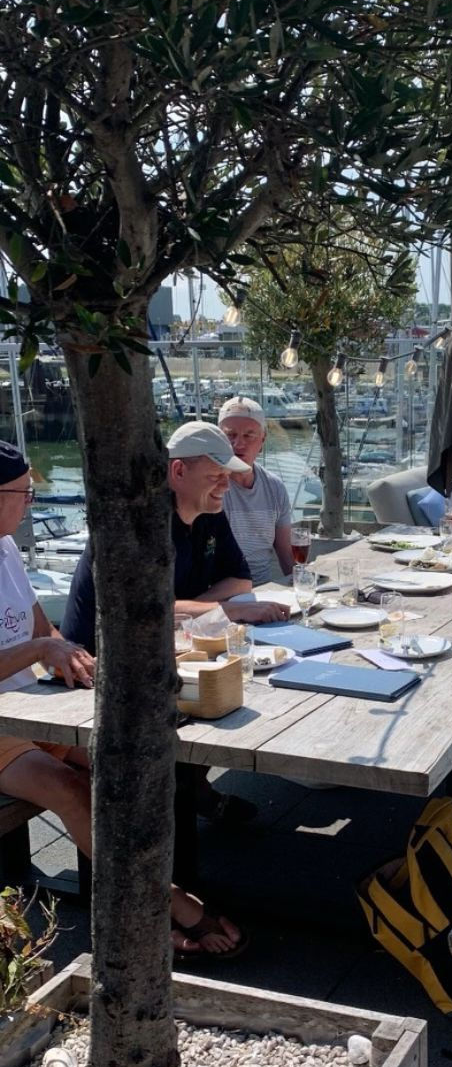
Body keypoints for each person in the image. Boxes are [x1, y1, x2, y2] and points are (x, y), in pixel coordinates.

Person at [0, 441, 242, 958]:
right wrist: (41, 650)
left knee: (128, 764)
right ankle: (167, 905)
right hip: (3, 725)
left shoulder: (6, 549)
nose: (30, 504)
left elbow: (41, 627)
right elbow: (37, 643)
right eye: (24, 493)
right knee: (69, 788)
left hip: (31, 704)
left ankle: (131, 893)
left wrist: (72, 658)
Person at [62, 421, 290, 827]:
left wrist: (185, 611)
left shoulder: (209, 511)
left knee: (251, 688)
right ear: (179, 471)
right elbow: (138, 615)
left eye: (227, 475)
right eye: (216, 475)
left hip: (169, 650)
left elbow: (240, 581)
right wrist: (223, 611)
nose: (226, 485)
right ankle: (183, 805)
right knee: (229, 696)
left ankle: (193, 790)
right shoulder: (137, 527)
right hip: (99, 669)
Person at [218, 396, 295, 583]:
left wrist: (303, 584)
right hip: (223, 593)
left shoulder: (275, 487)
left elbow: (286, 555)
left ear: (262, 441)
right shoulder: (212, 487)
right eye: (231, 435)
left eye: (248, 435)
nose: (238, 444)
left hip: (264, 591)